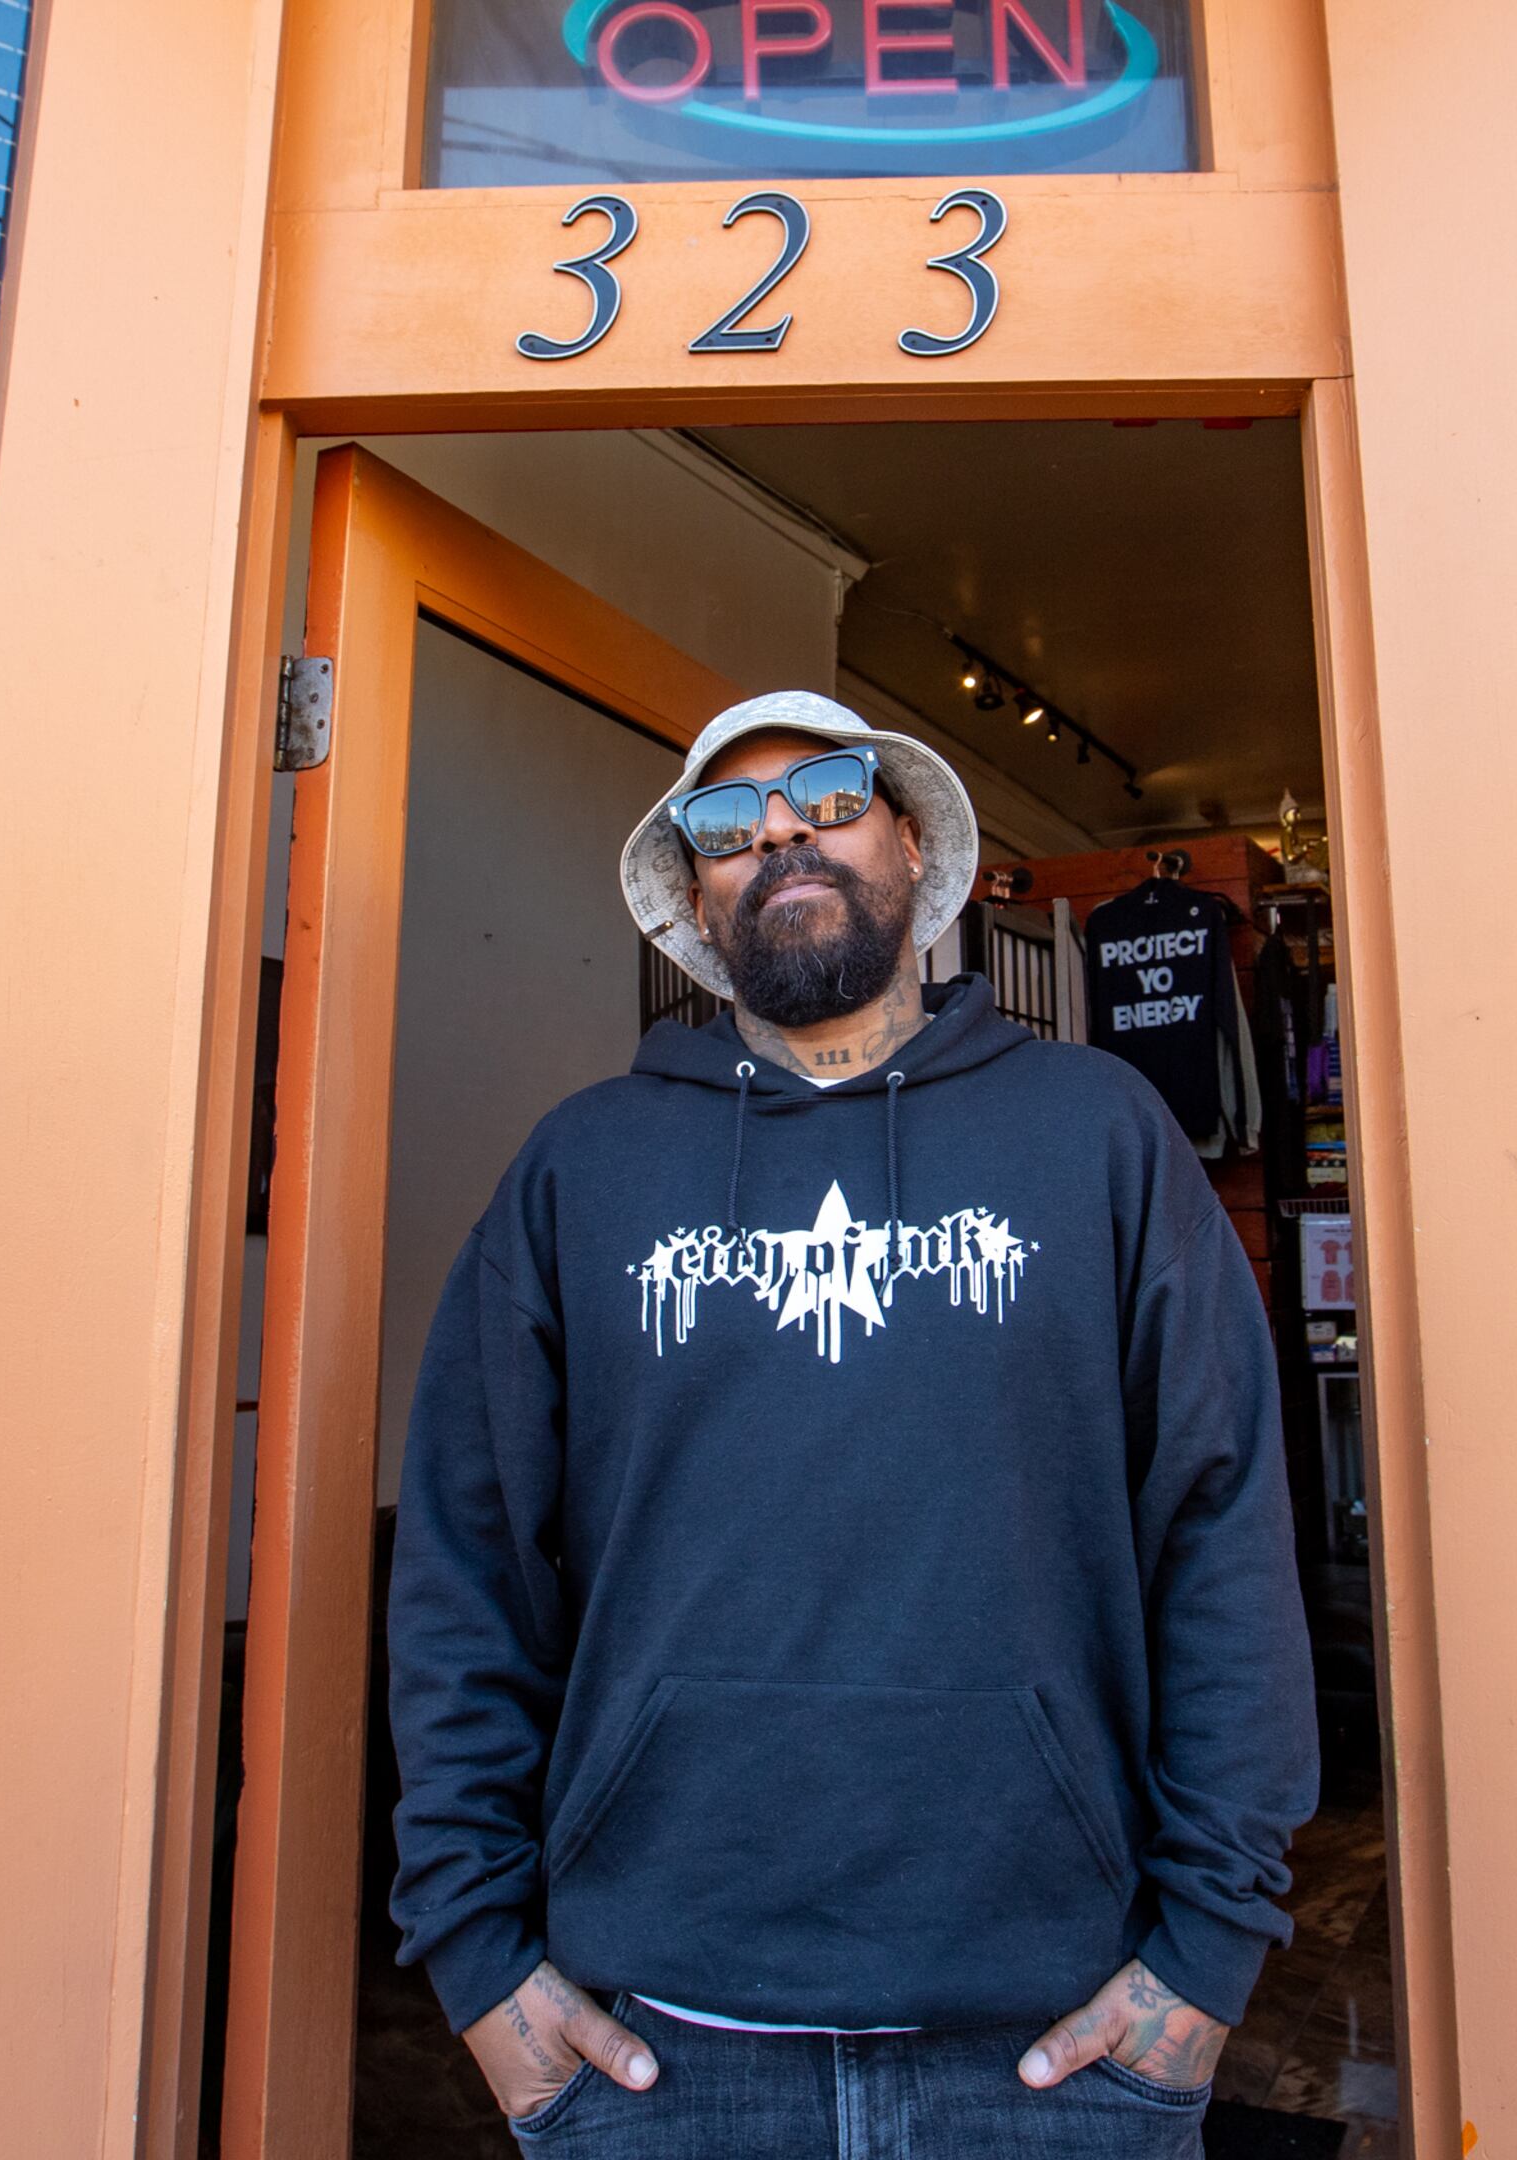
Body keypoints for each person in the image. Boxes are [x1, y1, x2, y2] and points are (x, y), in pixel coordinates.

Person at [385, 689, 1318, 2154]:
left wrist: (1209, 1950)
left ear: (910, 842)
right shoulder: (581, 1171)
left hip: (1060, 2048)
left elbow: (1222, 1534)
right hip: (659, 2050)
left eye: (828, 794)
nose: (780, 832)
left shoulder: (1099, 1135)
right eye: (726, 821)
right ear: (694, 894)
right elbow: (466, 1566)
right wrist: (476, 1954)